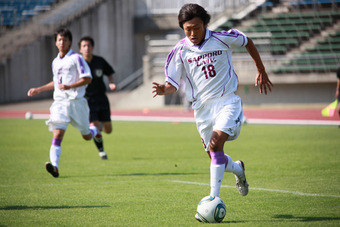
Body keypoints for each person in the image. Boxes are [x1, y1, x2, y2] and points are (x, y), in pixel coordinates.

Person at [152, 3, 273, 221]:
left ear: (204, 25)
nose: (192, 33)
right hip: (202, 110)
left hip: (227, 102)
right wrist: (164, 90)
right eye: (187, 29)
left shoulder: (222, 38)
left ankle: (212, 199)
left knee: (216, 145)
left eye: (196, 28)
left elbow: (247, 42)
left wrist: (261, 70)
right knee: (214, 155)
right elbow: (172, 83)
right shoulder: (179, 51)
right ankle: (238, 169)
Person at [27, 28, 98, 178]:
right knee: (58, 133)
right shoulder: (55, 62)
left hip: (76, 102)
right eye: (59, 40)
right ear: (55, 42)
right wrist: (38, 89)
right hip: (59, 102)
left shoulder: (77, 58)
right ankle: (55, 166)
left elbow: (88, 78)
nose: (61, 42)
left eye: (64, 40)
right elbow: (56, 82)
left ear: (70, 42)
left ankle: (95, 130)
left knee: (86, 136)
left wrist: (70, 86)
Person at [79, 36, 116, 160]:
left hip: (102, 98)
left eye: (89, 45)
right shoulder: (77, 63)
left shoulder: (99, 61)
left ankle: (99, 128)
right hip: (87, 100)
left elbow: (110, 72)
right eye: (84, 46)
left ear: (92, 47)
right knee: (94, 125)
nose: (87, 48)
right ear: (80, 49)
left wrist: (111, 82)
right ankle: (101, 151)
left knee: (108, 129)